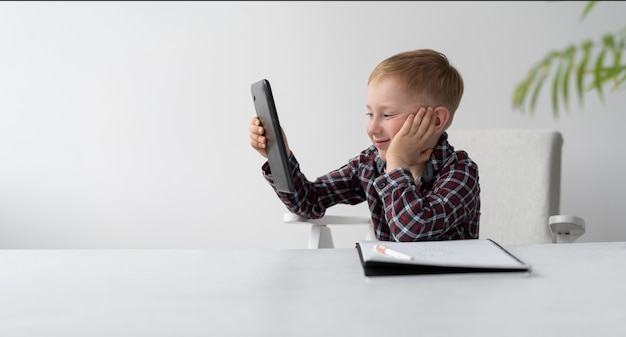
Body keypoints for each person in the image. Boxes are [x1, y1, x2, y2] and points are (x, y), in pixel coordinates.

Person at [249, 48, 480, 242]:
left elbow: (412, 231)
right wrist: (280, 155)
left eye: (387, 115)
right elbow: (310, 202)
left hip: (449, 290)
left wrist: (397, 162)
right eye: (369, 114)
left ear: (436, 120)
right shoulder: (370, 164)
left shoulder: (460, 171)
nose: (372, 128)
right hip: (389, 291)